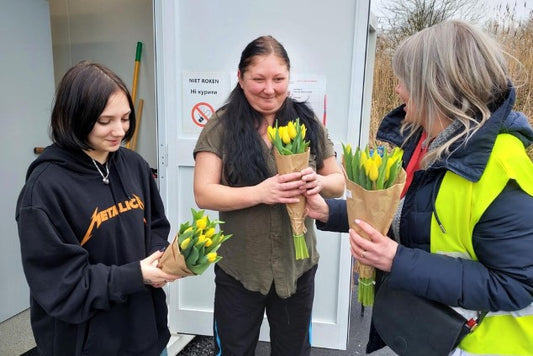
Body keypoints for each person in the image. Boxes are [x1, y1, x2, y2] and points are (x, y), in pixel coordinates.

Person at [306, 20, 533, 355]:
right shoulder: (427, 143)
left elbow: (516, 285)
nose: (397, 90)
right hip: (430, 331)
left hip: (480, 344)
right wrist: (330, 212)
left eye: (405, 81)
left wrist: (397, 259)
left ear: (437, 86)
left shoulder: (501, 168)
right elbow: (407, 215)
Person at [16, 61, 181, 356]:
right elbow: (62, 285)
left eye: (126, 118)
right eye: (105, 121)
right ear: (75, 117)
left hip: (146, 334)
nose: (120, 131)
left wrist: (162, 260)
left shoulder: (134, 165)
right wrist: (136, 276)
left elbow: (155, 224)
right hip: (86, 344)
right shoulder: (44, 190)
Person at [193, 35, 345, 355]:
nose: (269, 89)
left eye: (279, 79)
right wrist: (260, 192)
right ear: (240, 77)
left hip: (297, 267)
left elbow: (338, 183)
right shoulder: (221, 126)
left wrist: (316, 181)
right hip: (241, 269)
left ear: (289, 77)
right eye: (258, 79)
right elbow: (204, 193)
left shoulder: (306, 122)